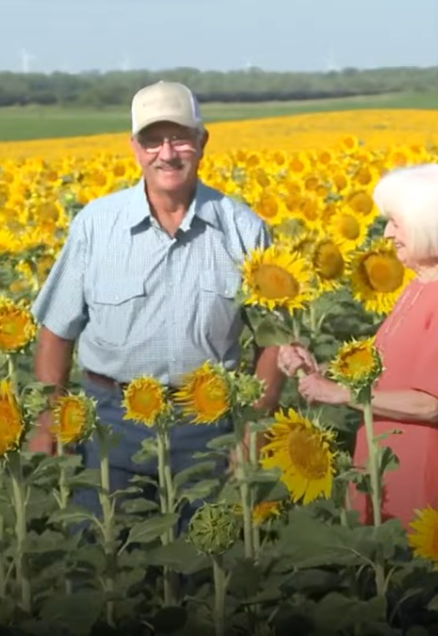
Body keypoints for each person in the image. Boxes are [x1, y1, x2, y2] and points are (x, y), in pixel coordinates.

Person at [27, 80, 283, 532]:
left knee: (201, 573)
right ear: (135, 148)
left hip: (205, 425)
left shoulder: (243, 229)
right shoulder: (96, 226)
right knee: (99, 561)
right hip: (108, 422)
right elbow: (56, 332)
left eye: (179, 137)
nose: (166, 153)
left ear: (202, 142)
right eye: (152, 140)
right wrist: (50, 421)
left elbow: (273, 343)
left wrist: (252, 431)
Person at [278, 163, 438, 528]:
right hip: (387, 469)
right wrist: (319, 371)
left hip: (421, 482)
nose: (388, 232)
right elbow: (390, 372)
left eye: (397, 222)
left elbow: (431, 404)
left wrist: (339, 393)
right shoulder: (422, 285)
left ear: (431, 224)